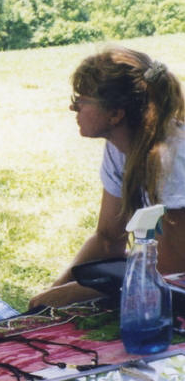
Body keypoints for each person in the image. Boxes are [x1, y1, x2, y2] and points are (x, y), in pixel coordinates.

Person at [30, 47, 185, 308]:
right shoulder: (120, 148)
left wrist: (76, 293)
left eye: (81, 99)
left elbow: (173, 274)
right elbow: (108, 239)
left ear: (115, 114)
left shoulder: (171, 158)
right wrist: (51, 294)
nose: (73, 107)